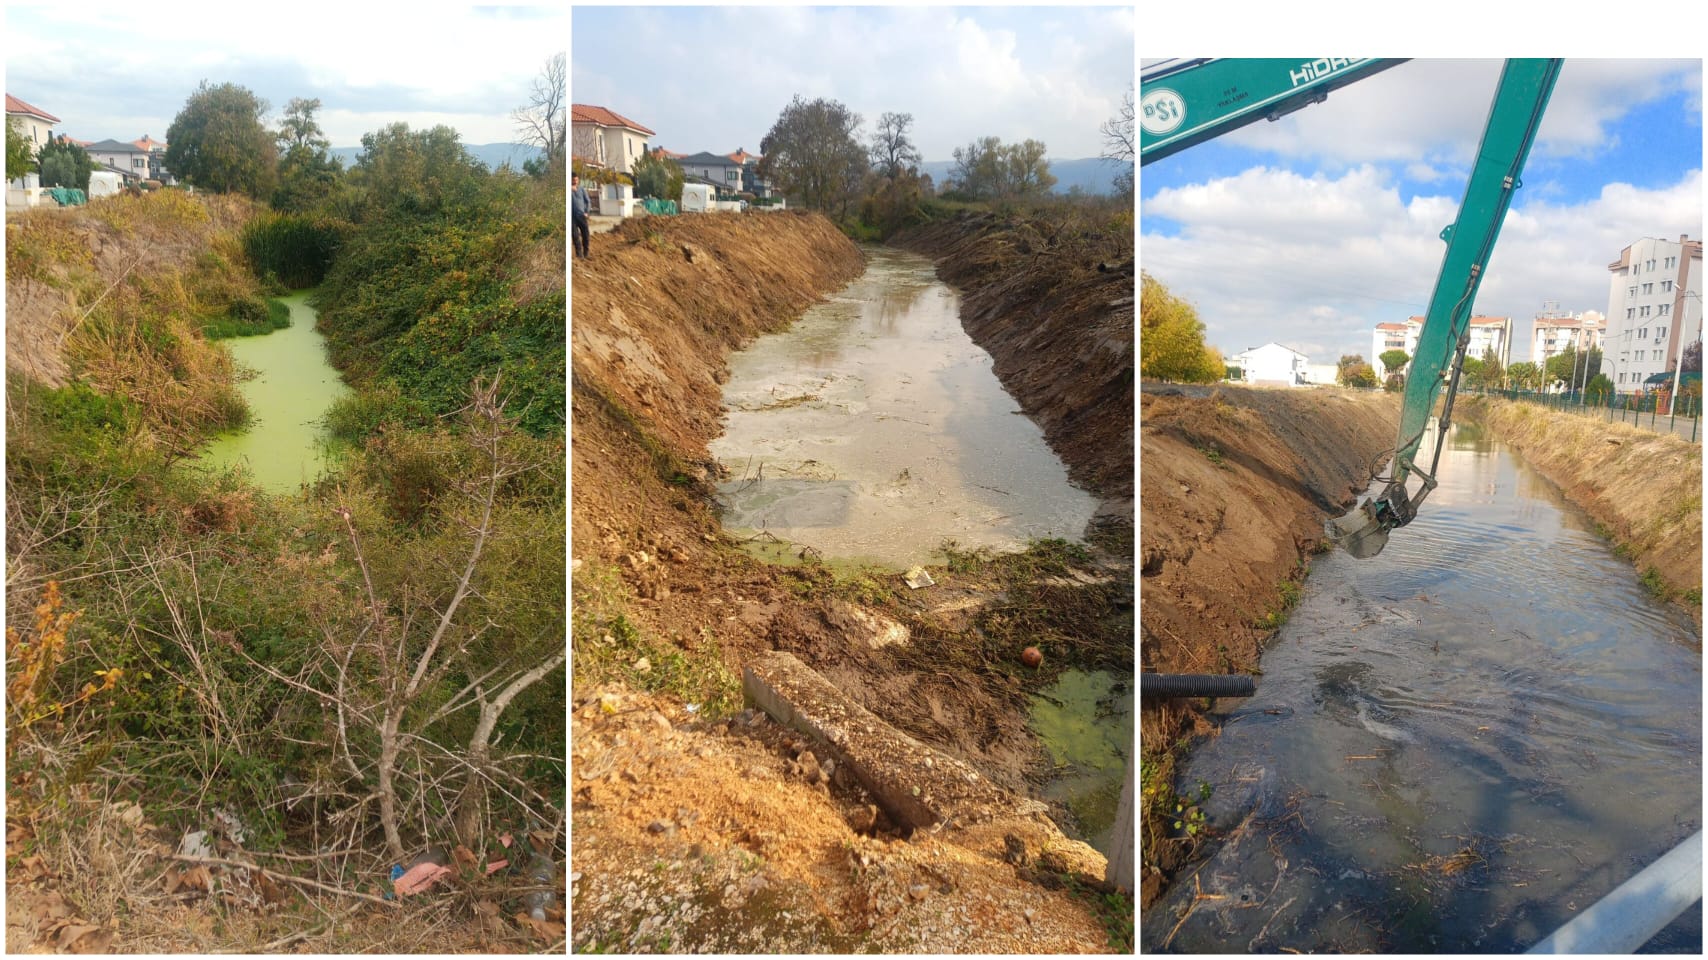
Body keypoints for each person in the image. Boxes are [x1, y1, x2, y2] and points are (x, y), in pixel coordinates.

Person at [571, 173, 591, 260]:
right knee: (575, 237)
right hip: (572, 217)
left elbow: (588, 201)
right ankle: (579, 255)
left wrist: (586, 212)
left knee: (585, 234)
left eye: (576, 180)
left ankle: (586, 253)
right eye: (573, 180)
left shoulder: (582, 189)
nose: (575, 182)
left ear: (578, 180)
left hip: (581, 215)